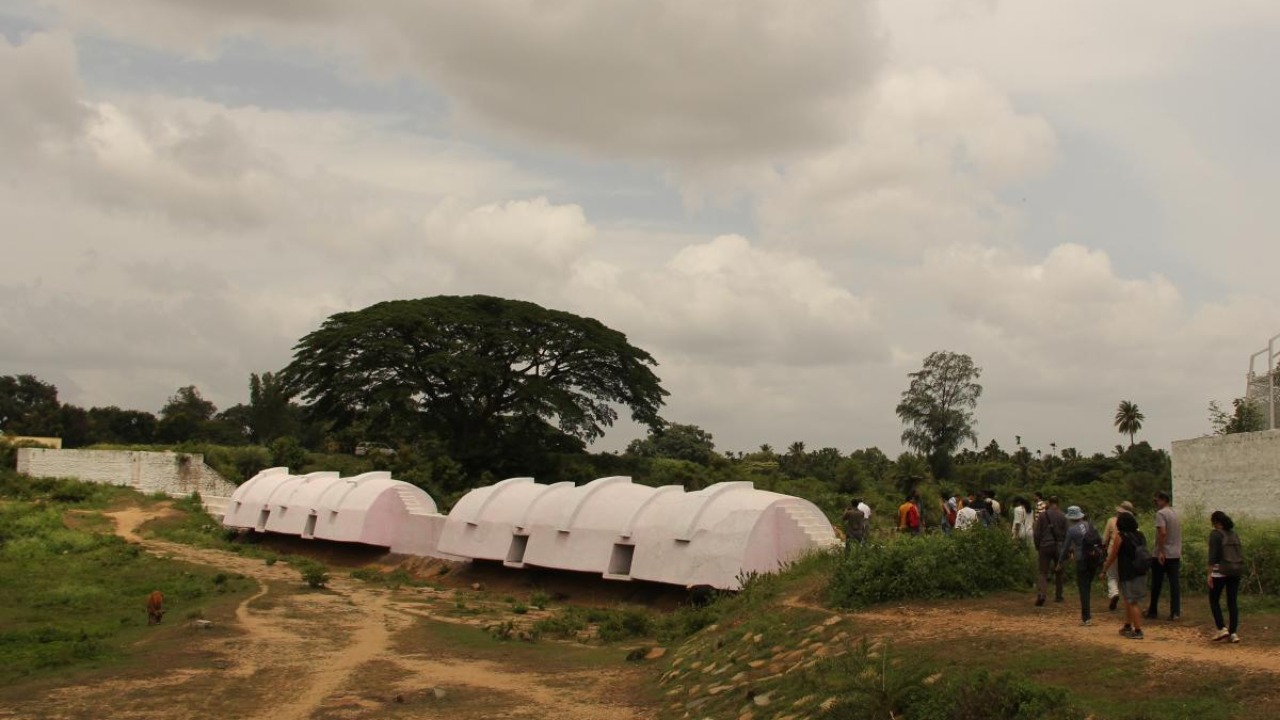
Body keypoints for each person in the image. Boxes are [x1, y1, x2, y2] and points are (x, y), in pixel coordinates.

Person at [1102, 511, 1147, 640]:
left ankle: (1138, 630)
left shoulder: (1120, 537)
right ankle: (1127, 625)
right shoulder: (1140, 535)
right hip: (1140, 569)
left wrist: (1104, 569)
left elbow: (1113, 555)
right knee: (1129, 599)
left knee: (1132, 602)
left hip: (1127, 571)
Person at [1207, 511, 1244, 643]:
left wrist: (1209, 574)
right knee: (1232, 601)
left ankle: (1222, 628)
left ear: (1216, 522)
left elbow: (1212, 556)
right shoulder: (1234, 534)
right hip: (1235, 570)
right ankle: (1233, 633)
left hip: (1219, 571)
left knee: (1214, 599)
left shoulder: (1215, 534)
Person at [1145, 491, 1183, 621]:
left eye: (1157, 501)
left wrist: (1161, 551)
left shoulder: (1161, 514)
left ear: (1163, 500)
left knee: (1156, 583)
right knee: (1174, 584)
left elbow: (1162, 533)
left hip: (1163, 553)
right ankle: (1175, 612)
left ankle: (1153, 610)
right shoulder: (1174, 513)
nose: (1156, 504)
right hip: (1175, 553)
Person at [1059, 506, 1097, 625]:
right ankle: (1087, 615)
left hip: (1082, 560)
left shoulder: (1072, 530)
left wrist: (1060, 561)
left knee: (1083, 588)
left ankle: (1086, 618)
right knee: (1088, 586)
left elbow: (1065, 547)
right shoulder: (1089, 525)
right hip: (1093, 558)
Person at [1032, 495, 1067, 606]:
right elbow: (1066, 534)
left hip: (1045, 545)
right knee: (1059, 571)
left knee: (1043, 572)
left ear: (1048, 503)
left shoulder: (1042, 516)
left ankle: (1042, 594)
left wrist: (1038, 545)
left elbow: (1037, 533)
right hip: (1058, 546)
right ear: (1058, 503)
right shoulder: (1063, 516)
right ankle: (1059, 596)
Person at [1101, 501, 1134, 611]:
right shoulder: (1133, 522)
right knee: (1124, 577)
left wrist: (1103, 549)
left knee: (1112, 575)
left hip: (1112, 550)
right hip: (1127, 553)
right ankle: (1127, 598)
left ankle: (1114, 593)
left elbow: (1105, 539)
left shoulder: (1111, 521)